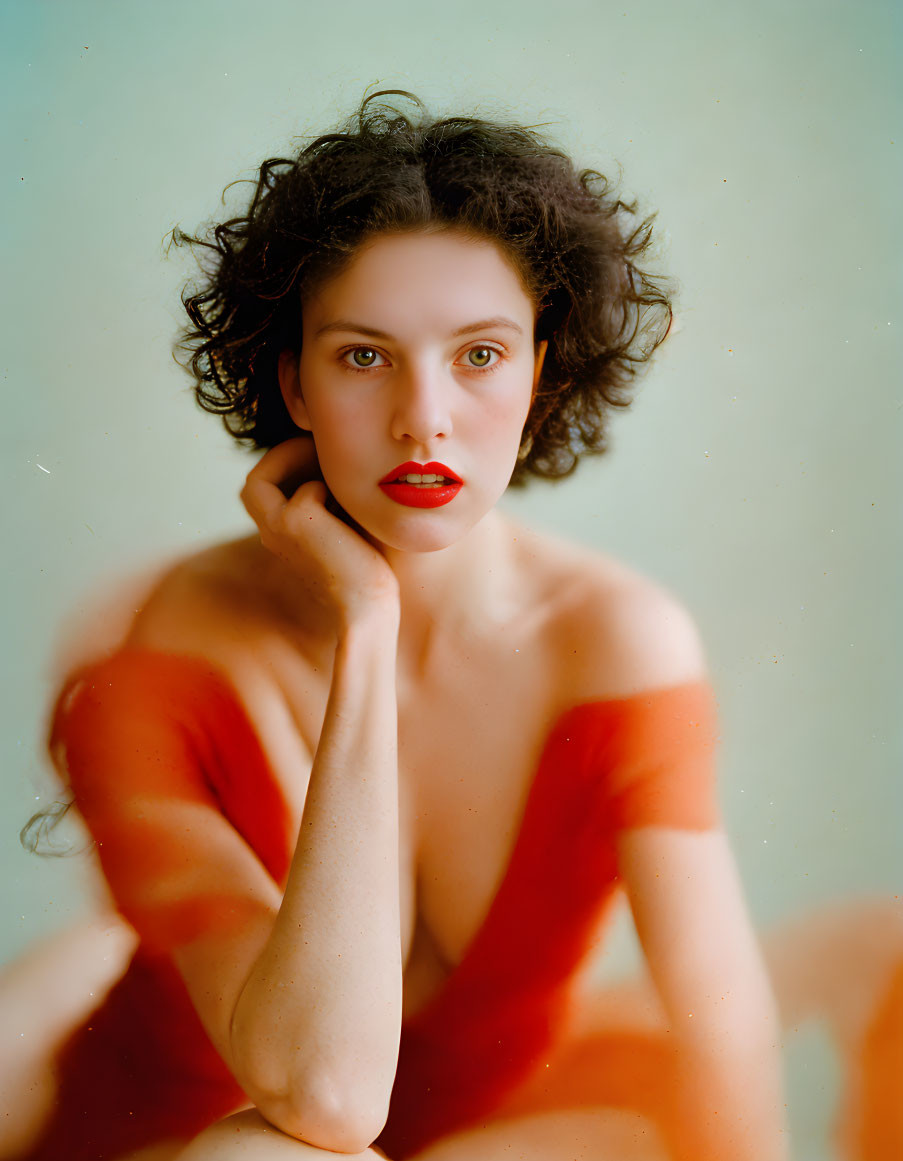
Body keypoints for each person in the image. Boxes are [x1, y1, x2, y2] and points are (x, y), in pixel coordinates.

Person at [7, 88, 898, 1161]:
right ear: (292, 381)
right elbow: (324, 1100)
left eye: (479, 354)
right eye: (364, 356)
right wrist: (368, 622)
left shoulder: (610, 638)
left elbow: (724, 1029)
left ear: (542, 370)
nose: (423, 415)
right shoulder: (162, 656)